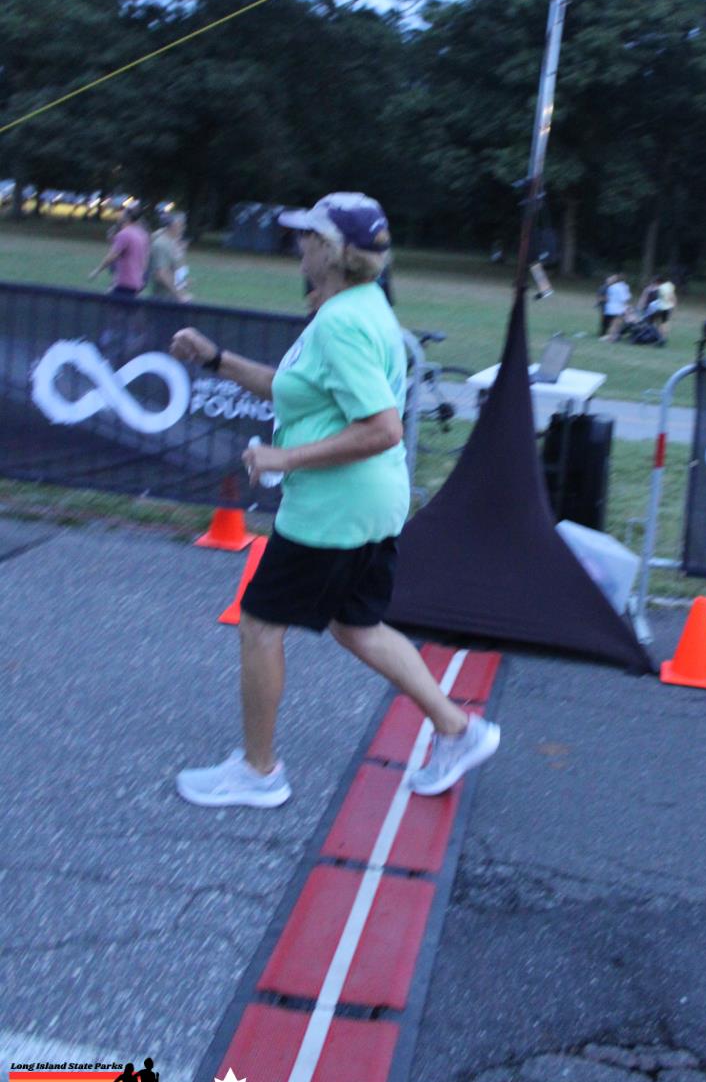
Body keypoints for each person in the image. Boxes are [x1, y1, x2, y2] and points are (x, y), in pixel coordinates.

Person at [170, 192, 499, 808]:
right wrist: (215, 359)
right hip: (368, 503)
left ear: (331, 251)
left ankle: (259, 773)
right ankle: (459, 730)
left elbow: (383, 428)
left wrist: (284, 458)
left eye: (308, 236)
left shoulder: (341, 322)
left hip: (333, 509)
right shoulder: (361, 306)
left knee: (260, 625)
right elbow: (294, 388)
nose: (298, 244)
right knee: (357, 626)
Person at [88, 205, 150, 299]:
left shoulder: (124, 234)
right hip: (136, 282)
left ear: (126, 217)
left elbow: (112, 256)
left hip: (124, 282)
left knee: (110, 305)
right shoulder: (142, 234)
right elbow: (144, 259)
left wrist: (97, 271)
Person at [149, 211, 191, 302]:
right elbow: (161, 274)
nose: (183, 228)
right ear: (173, 225)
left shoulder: (173, 243)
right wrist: (179, 295)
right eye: (181, 225)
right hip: (164, 299)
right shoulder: (162, 244)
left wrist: (183, 282)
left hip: (173, 296)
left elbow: (176, 267)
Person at [600, 272, 632, 342]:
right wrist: (628, 307)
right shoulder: (624, 287)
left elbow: (608, 297)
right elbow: (624, 298)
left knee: (614, 323)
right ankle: (612, 337)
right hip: (618, 308)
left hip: (610, 307)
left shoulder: (612, 286)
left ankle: (613, 336)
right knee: (616, 324)